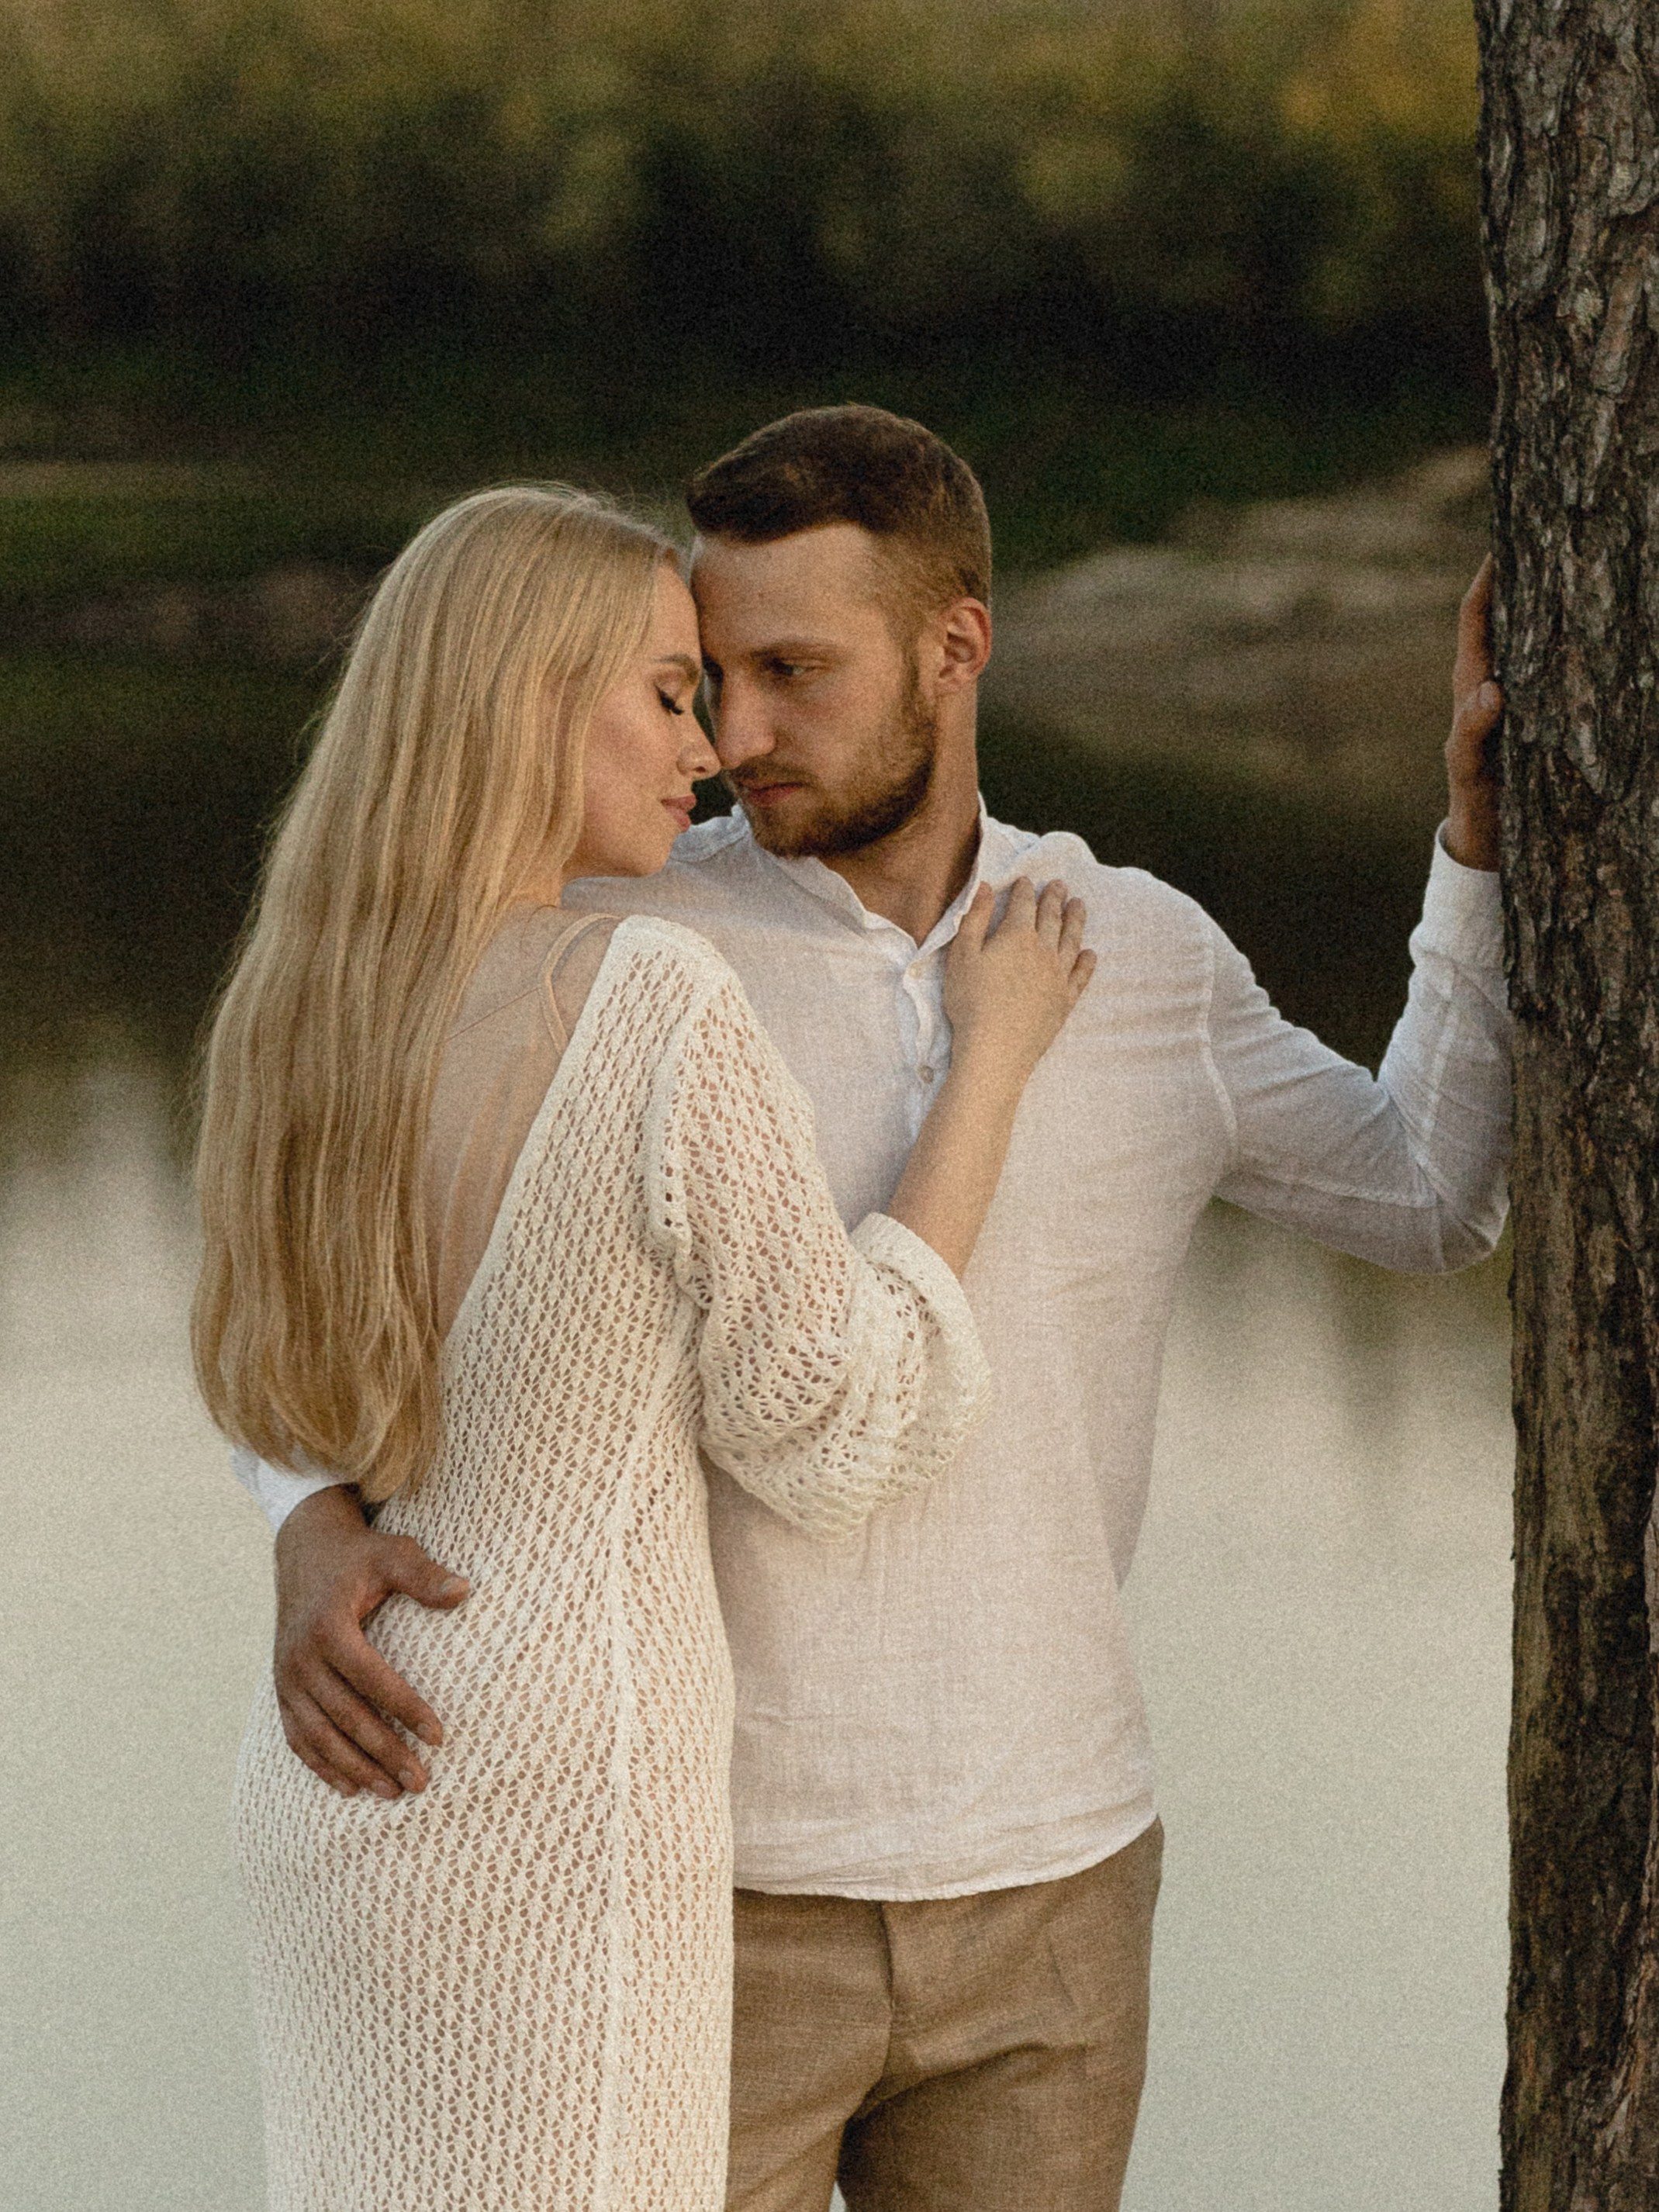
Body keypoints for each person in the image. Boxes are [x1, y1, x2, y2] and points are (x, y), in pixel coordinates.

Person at [242, 408, 1512, 2212]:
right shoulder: (618, 934)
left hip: (1052, 1886)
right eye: (708, 676)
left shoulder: (1131, 944)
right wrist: (298, 1508)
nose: (735, 736)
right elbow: (322, 1234)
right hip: (700, 1892)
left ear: (953, 646)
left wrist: (1473, 855)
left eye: (791, 671)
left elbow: (1430, 1195)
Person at [194, 480, 1096, 2212]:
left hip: (336, 1775)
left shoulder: (305, 1010)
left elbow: (262, 1373)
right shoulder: (651, 998)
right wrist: (989, 1060)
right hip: (560, 1809)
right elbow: (839, 1423)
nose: (709, 752)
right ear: (529, 694)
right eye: (669, 691)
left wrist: (311, 1516)